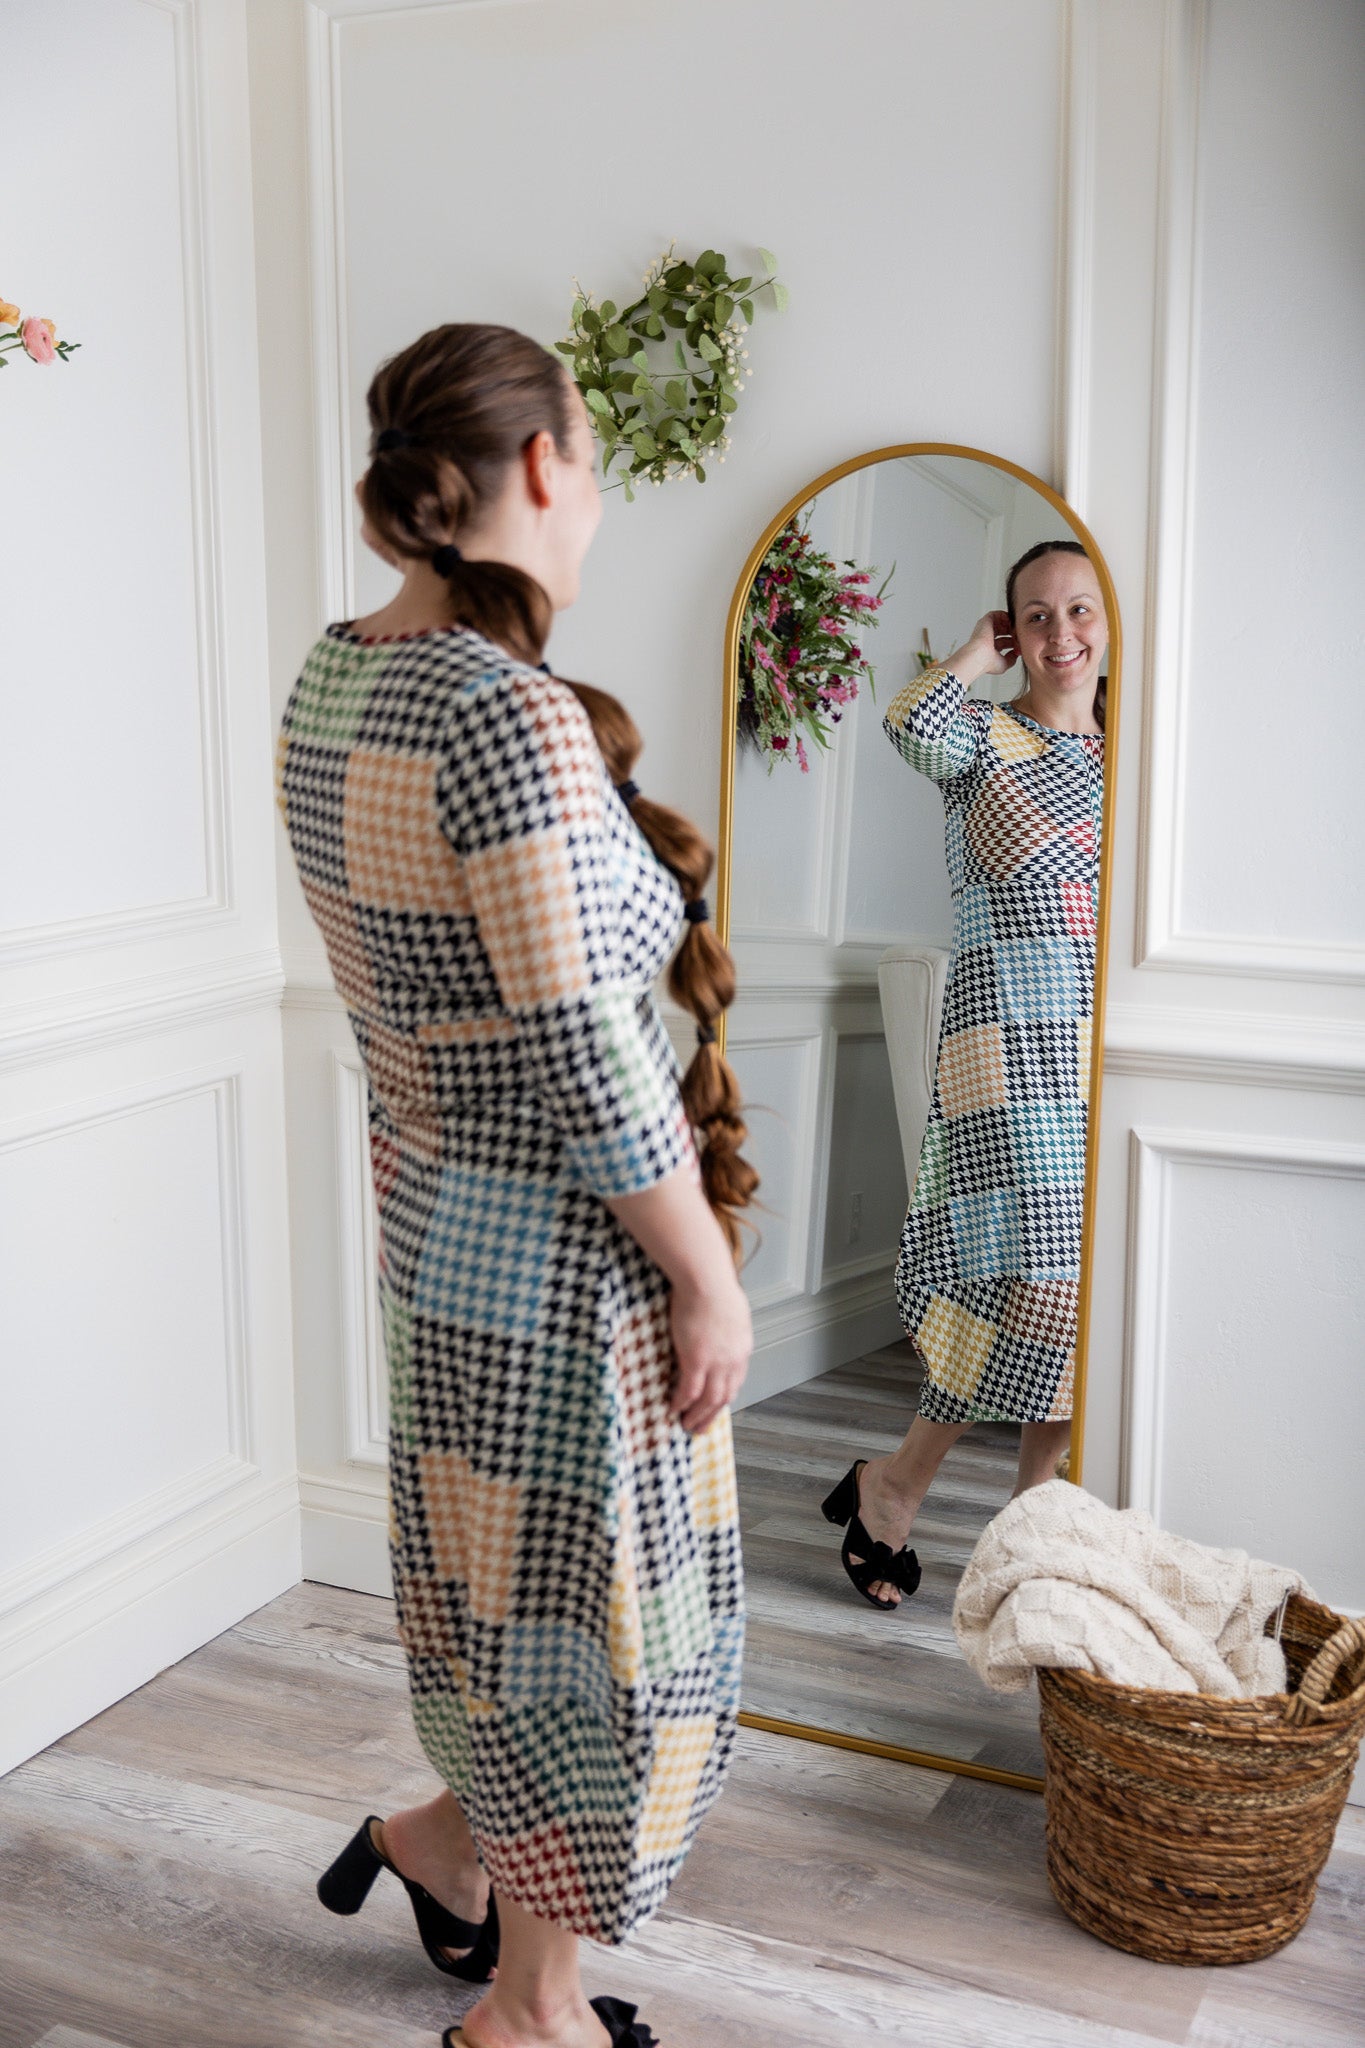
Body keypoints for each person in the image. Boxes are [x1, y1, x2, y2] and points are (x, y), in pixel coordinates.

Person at [276, 324, 756, 2048]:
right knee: (587, 1634)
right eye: (598, 456)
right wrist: (706, 1274)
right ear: (543, 463)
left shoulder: (335, 677)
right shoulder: (508, 716)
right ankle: (528, 2021)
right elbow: (590, 1060)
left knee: (505, 1595)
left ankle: (441, 1843)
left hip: (435, 1224)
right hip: (565, 1254)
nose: (604, 491)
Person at [821, 540, 1105, 1609]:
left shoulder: (1131, 756)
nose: (1061, 634)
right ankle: (898, 1485)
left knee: (1078, 1298)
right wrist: (969, 661)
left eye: (1080, 610)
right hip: (1000, 1049)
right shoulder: (981, 735)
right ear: (1009, 628)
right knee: (1031, 1283)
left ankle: (1028, 1533)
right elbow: (907, 724)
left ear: (1109, 621)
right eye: (1035, 615)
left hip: (1095, 1054)